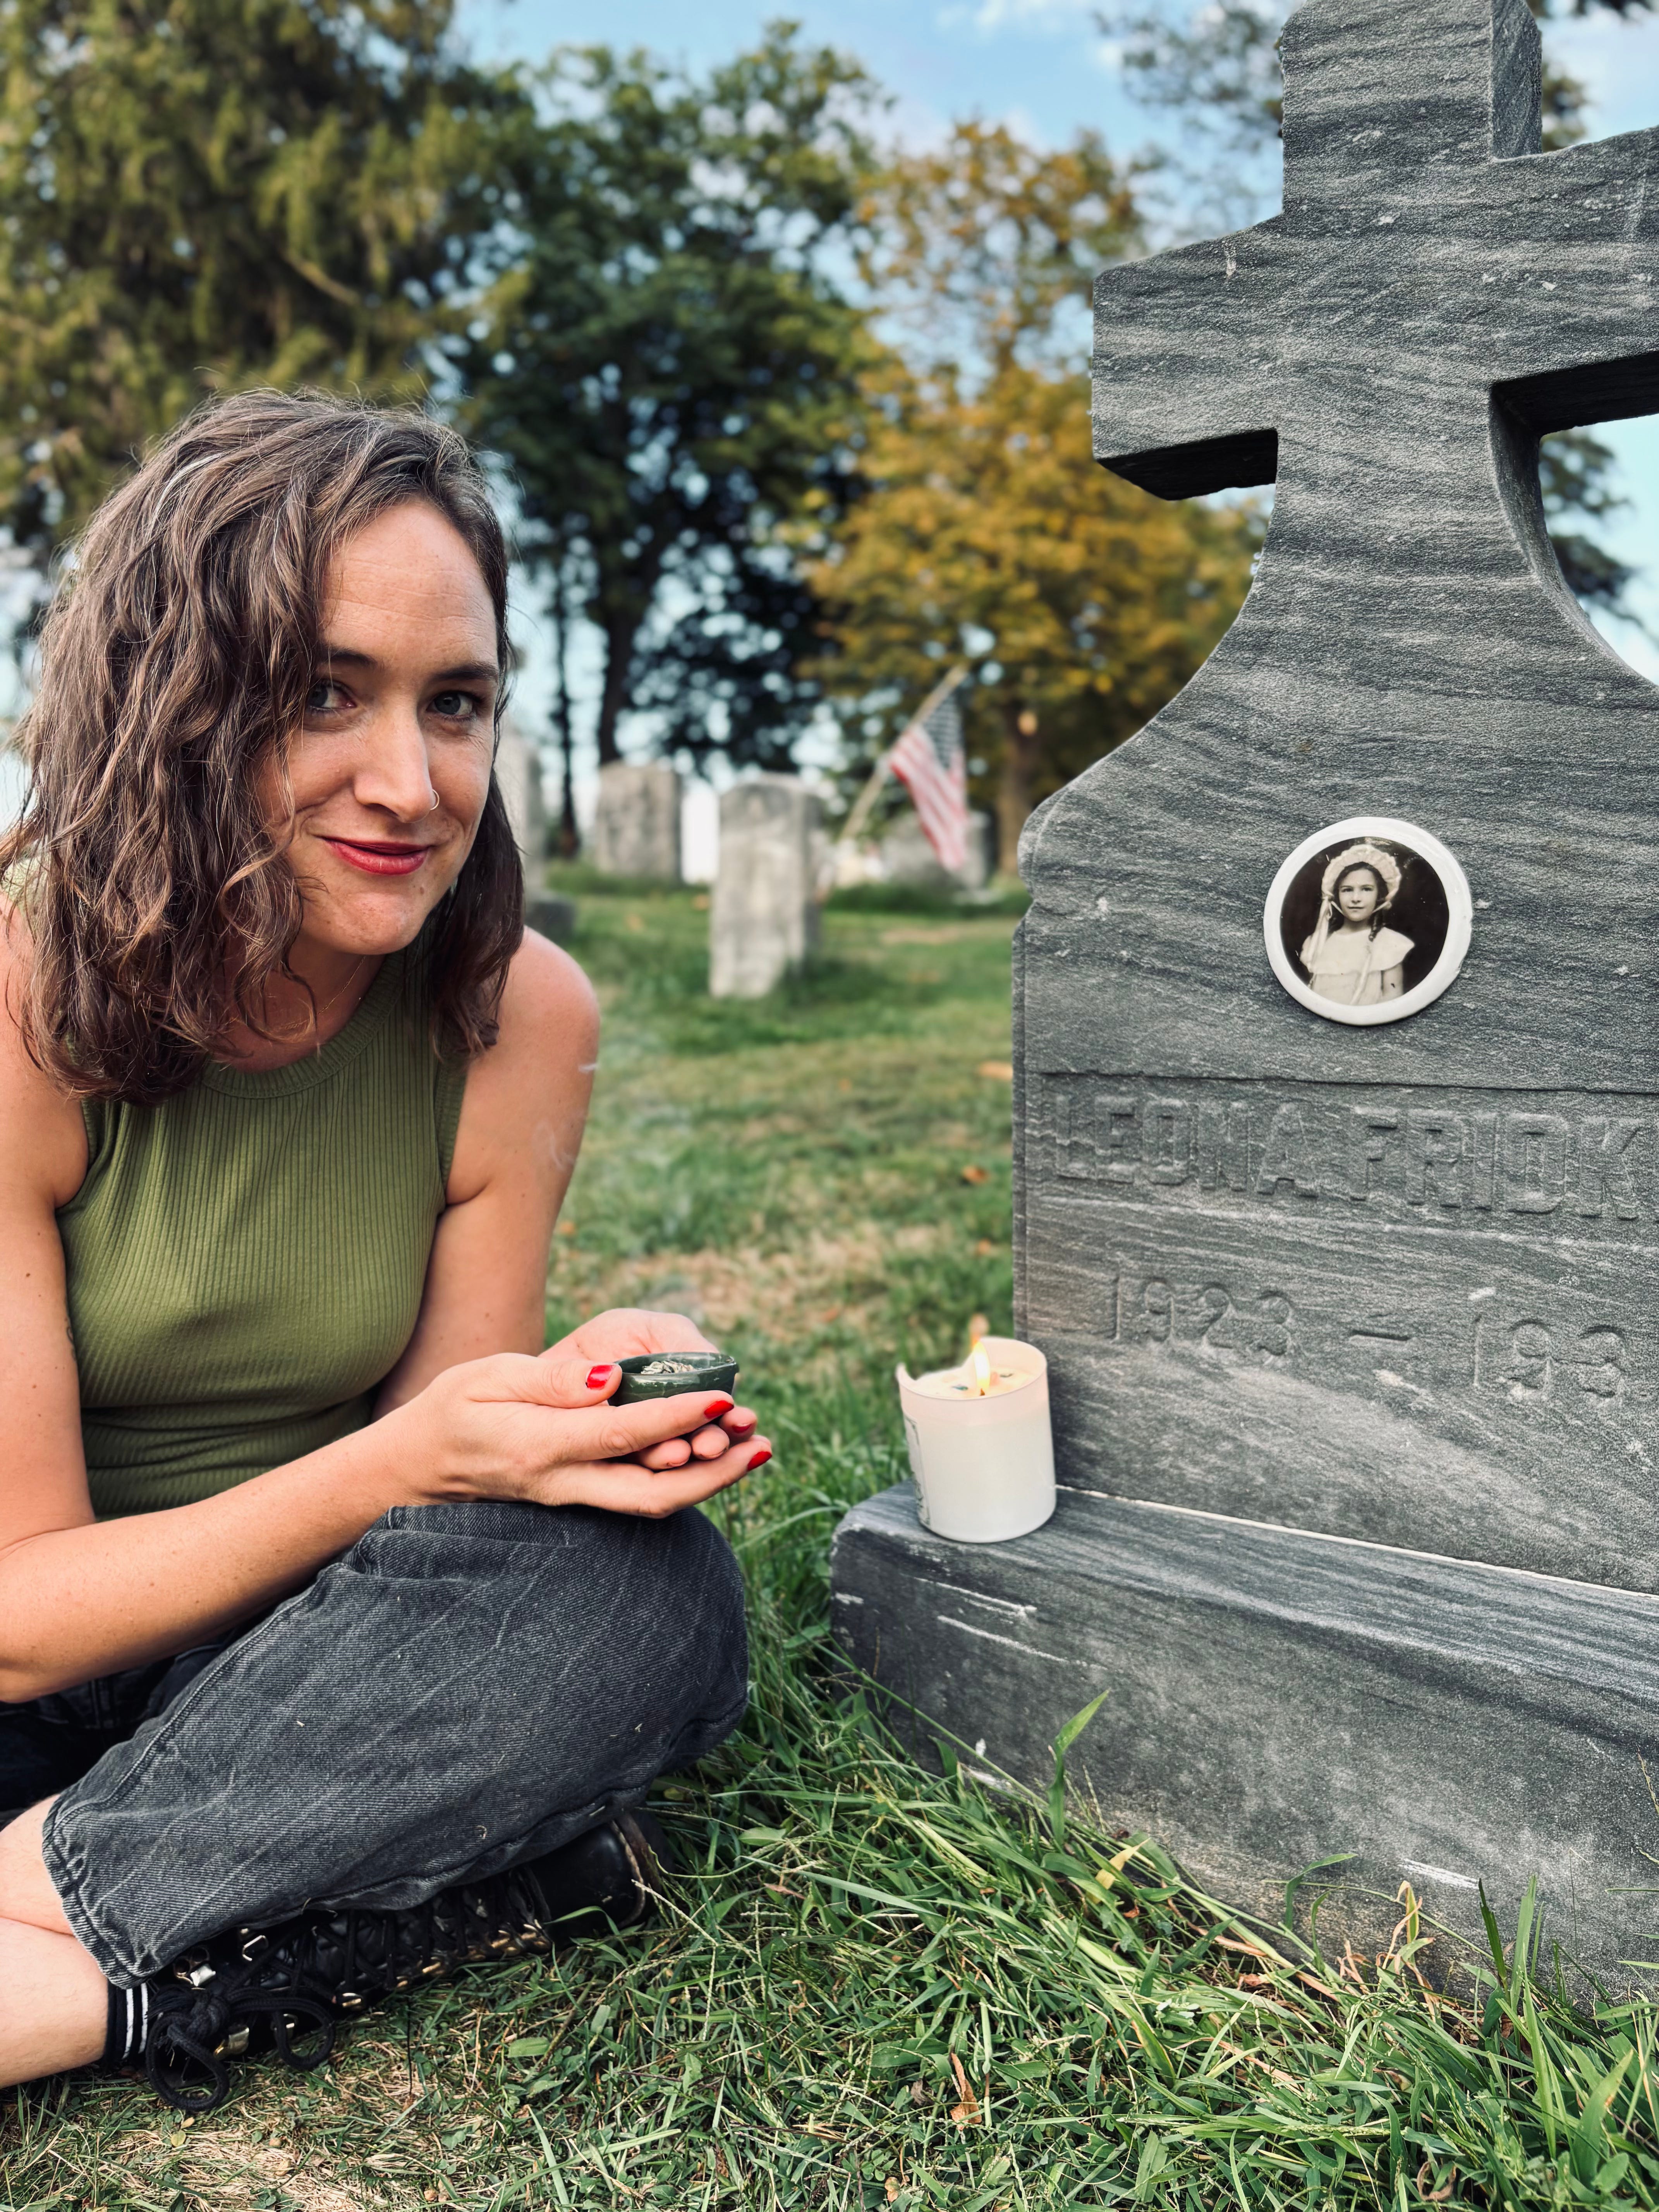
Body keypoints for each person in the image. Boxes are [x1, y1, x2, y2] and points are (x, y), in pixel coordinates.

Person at [0, 392, 768, 2113]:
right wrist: (410, 1459)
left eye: (457, 703)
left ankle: (57, 1932)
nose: (410, 786)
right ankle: (216, 1964)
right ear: (174, 702)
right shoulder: (15, 1004)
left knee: (649, 1602)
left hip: (271, 1664)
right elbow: (18, 1617)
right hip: (30, 1666)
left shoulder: (516, 1016)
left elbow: (445, 1520)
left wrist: (565, 1420)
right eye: (323, 694)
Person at [1297, 842, 1414, 1007]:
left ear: (1379, 895)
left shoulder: (1389, 943)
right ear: (1336, 895)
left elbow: (1392, 998)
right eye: (1347, 890)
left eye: (1366, 889)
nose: (1356, 899)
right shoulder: (1318, 943)